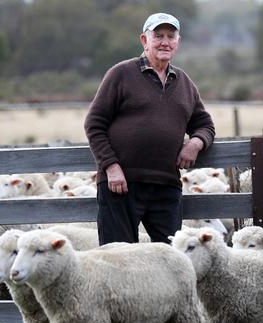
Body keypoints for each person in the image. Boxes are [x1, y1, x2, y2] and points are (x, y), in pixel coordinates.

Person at [85, 12, 215, 245]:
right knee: (119, 257)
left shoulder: (184, 83)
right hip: (121, 184)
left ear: (178, 42)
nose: (165, 41)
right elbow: (94, 124)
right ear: (144, 40)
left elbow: (205, 125)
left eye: (170, 36)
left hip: (166, 185)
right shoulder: (121, 74)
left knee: (170, 257)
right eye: (158, 36)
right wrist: (111, 167)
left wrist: (196, 143)